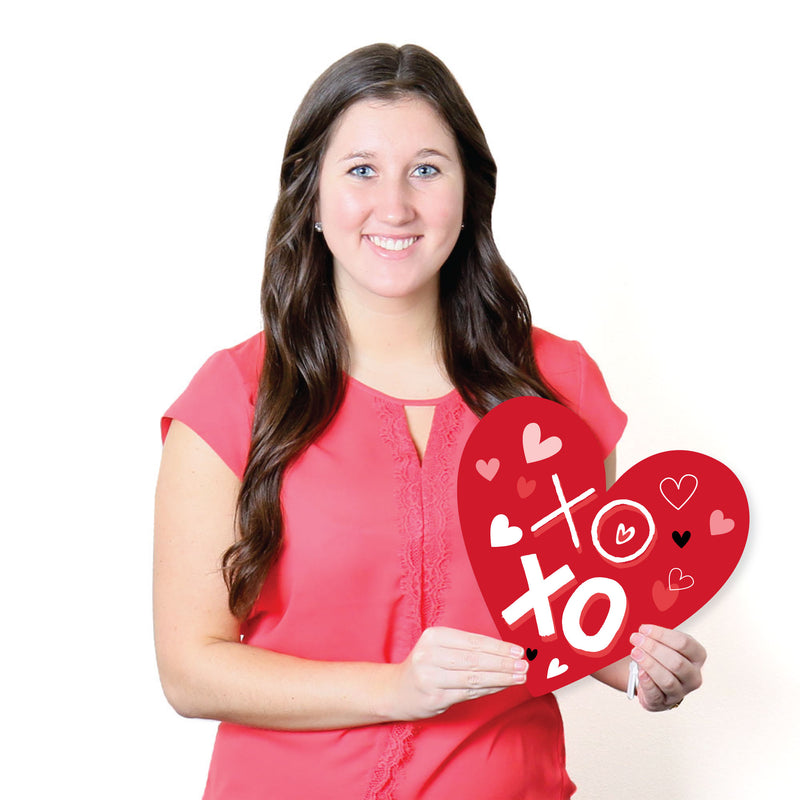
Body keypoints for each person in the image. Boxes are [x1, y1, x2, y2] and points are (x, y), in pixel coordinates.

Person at [154, 43, 707, 799]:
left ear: (469, 193)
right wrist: (396, 688)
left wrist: (643, 668)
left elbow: (566, 619)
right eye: (360, 170)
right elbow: (189, 669)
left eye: (426, 169)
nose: (395, 206)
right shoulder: (234, 397)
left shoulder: (558, 387)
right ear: (310, 197)